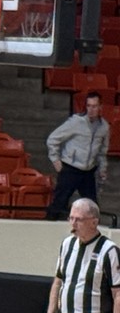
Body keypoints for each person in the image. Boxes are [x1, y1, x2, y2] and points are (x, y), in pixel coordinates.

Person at [46, 92, 110, 220]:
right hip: (70, 168)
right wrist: (55, 159)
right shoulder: (76, 122)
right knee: (59, 203)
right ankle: (48, 228)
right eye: (89, 106)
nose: (91, 110)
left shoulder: (104, 127)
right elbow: (53, 139)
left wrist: (102, 169)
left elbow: (102, 152)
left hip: (88, 171)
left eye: (94, 106)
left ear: (100, 107)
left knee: (92, 206)